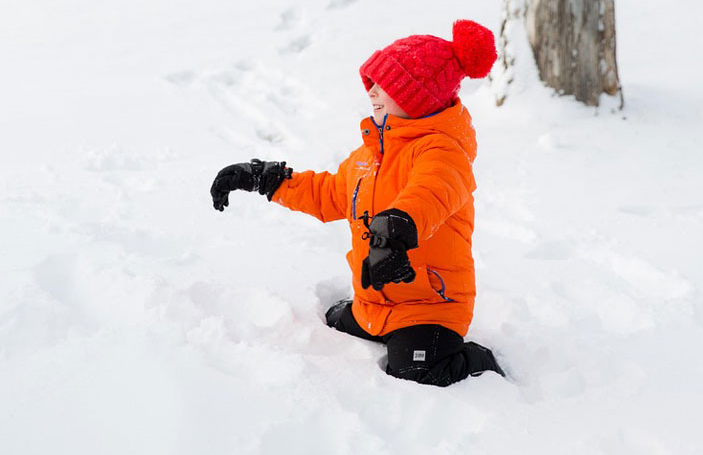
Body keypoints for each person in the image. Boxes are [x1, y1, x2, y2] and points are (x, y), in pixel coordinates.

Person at [210, 20, 504, 386]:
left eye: (386, 85)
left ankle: (477, 360)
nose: (372, 91)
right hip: (374, 303)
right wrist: (266, 179)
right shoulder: (370, 155)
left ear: (418, 98)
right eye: (372, 82)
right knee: (333, 325)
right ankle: (369, 317)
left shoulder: (444, 153)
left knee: (415, 372)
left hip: (429, 307)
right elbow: (329, 194)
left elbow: (429, 195)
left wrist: (396, 228)